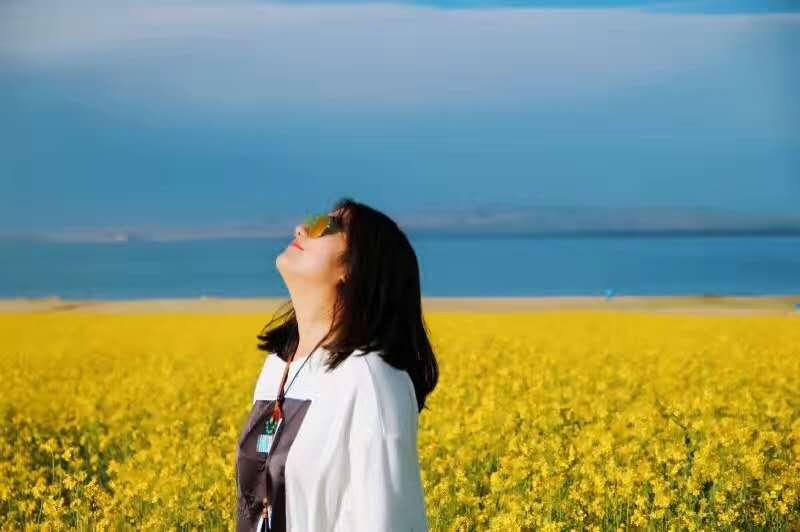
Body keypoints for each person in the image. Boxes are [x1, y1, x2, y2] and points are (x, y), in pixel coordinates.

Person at [235, 197, 439, 531]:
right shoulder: (278, 366)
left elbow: (385, 520)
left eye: (328, 226)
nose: (301, 229)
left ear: (355, 267)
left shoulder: (371, 377)